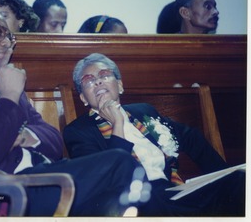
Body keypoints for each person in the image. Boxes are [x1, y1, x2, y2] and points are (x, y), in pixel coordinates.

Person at [0, 6, 145, 216]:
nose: (7, 43)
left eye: (9, 36)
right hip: (3, 195)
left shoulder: (3, 82)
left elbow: (54, 140)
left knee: (120, 186)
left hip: (42, 178)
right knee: (120, 164)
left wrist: (28, 135)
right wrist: (8, 97)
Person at [63, 53, 245, 216]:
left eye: (104, 75)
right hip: (135, 202)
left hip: (173, 191)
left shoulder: (144, 111)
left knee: (239, 180)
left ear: (119, 85)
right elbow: (109, 178)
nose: (98, 82)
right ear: (83, 98)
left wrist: (220, 173)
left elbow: (190, 136)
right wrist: (117, 123)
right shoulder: (78, 132)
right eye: (88, 80)